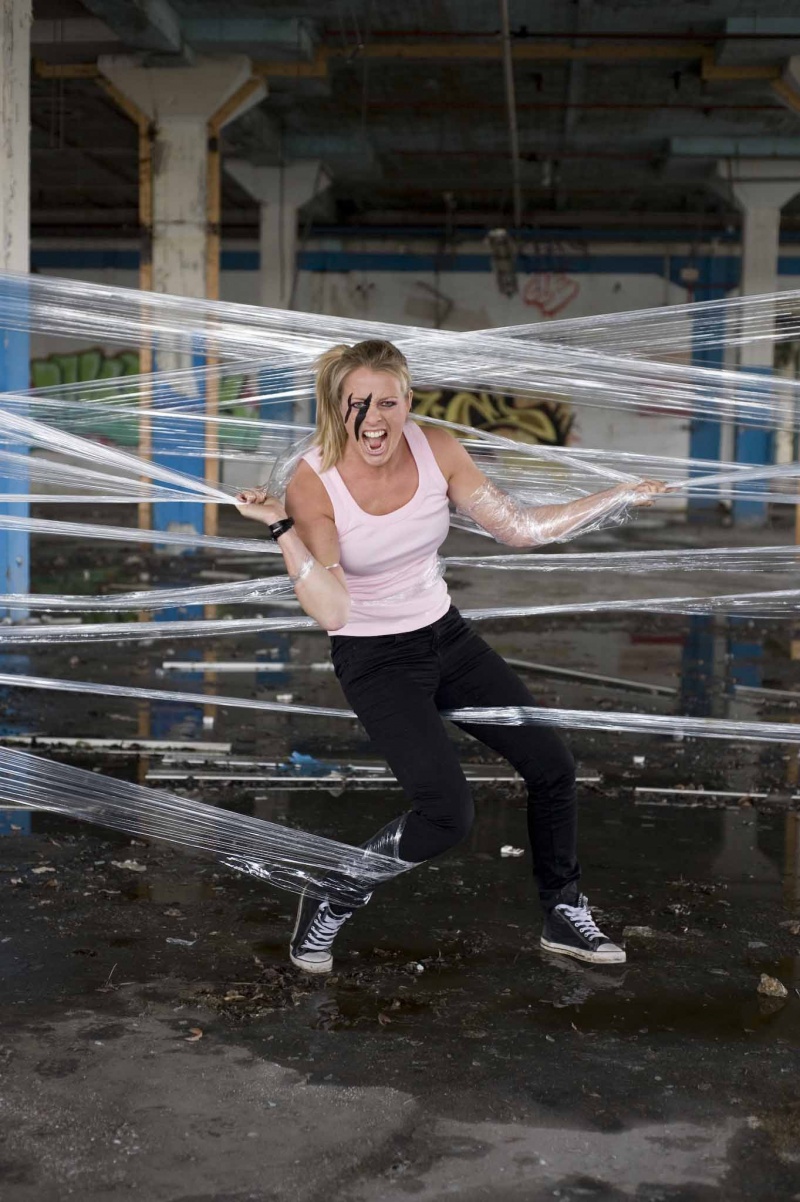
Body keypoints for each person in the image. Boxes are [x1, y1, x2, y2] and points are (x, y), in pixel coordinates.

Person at [236, 339, 667, 975]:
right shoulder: (312, 479)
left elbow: (519, 528)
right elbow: (332, 611)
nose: (375, 418)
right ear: (337, 407)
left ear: (408, 402)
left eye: (388, 402)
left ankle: (563, 910)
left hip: (445, 636)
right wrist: (282, 530)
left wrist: (617, 496)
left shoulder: (436, 449)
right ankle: (336, 889)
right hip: (375, 658)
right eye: (358, 403)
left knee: (552, 764)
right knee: (446, 814)